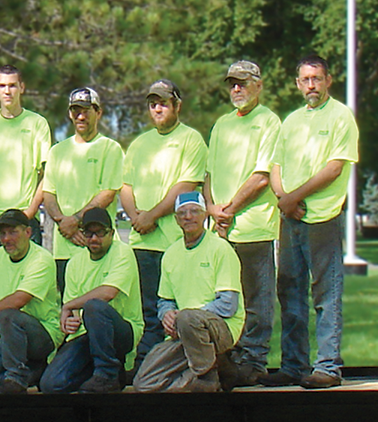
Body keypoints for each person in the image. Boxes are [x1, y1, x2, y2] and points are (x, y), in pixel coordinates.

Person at [260, 55, 359, 389]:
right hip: (291, 220)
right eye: (305, 79)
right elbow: (275, 166)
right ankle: (293, 365)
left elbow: (334, 168)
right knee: (290, 291)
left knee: (326, 293)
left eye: (317, 78)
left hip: (323, 218)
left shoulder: (341, 116)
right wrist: (284, 199)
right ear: (297, 84)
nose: (312, 85)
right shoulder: (291, 122)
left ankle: (328, 367)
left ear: (328, 80)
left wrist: (294, 197)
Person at [203, 61, 282, 387]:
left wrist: (230, 209)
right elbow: (207, 175)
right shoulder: (221, 125)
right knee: (224, 299)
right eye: (232, 84)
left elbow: (262, 176)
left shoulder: (269, 122)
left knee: (257, 301)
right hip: (221, 230)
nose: (237, 89)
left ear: (258, 85)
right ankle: (229, 358)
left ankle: (253, 360)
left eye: (243, 83)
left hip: (253, 228)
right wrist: (211, 208)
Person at [120, 79, 207, 369]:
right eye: (153, 103)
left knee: (178, 311)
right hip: (143, 243)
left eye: (163, 103)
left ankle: (179, 367)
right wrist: (135, 217)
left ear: (177, 105)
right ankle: (148, 367)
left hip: (175, 242)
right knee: (149, 313)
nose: (157, 108)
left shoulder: (191, 139)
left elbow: (186, 185)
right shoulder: (139, 144)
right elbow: (126, 186)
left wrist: (152, 215)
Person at [132, 192, 244, 393]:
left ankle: (206, 378)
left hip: (221, 328)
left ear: (204, 216)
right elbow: (165, 300)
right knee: (144, 383)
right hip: (183, 331)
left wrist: (185, 317)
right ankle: (216, 370)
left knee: (188, 317)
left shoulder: (221, 248)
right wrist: (166, 315)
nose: (188, 217)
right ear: (176, 219)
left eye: (194, 211)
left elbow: (228, 304)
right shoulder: (171, 254)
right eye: (182, 213)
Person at [40, 209, 142, 394]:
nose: (94, 238)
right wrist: (70, 321)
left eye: (100, 232)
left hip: (121, 331)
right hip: (87, 334)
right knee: (51, 384)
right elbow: (73, 315)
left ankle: (107, 374)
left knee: (94, 307)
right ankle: (99, 376)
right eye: (89, 233)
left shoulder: (122, 252)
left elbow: (108, 293)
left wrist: (70, 306)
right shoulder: (74, 263)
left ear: (111, 233)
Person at [0, 209, 61, 394]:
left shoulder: (42, 259)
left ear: (28, 232)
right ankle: (32, 371)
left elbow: (19, 299)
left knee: (8, 315)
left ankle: (17, 376)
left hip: (41, 335)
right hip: (4, 338)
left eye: (13, 232)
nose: (6, 239)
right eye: (2, 233)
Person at [42, 87, 124, 292]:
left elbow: (107, 193)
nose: (80, 116)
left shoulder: (110, 148)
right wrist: (64, 223)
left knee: (96, 307)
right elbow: (49, 194)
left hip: (97, 246)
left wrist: (77, 221)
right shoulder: (57, 151)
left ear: (98, 112)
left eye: (86, 110)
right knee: (68, 308)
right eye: (75, 110)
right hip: (64, 248)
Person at [0, 64, 52, 260]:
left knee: (29, 284)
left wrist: (30, 212)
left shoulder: (37, 123)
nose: (7, 91)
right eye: (2, 85)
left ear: (22, 88)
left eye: (13, 85)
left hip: (24, 220)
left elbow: (46, 175)